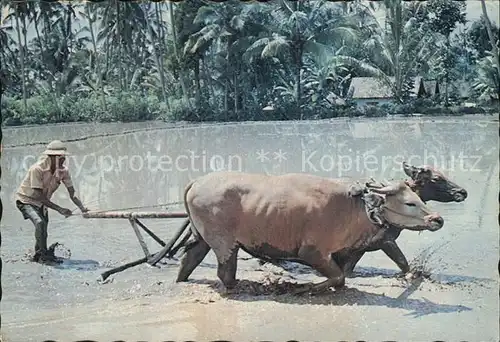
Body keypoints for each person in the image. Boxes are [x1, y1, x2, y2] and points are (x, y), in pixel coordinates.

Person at [15, 140, 88, 263]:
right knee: (39, 222)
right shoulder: (37, 169)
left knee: (44, 229)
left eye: (64, 156)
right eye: (60, 157)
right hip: (26, 200)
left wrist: (82, 208)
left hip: (43, 203)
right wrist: (60, 209)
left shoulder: (63, 171)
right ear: (51, 157)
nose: (63, 159)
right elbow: (38, 196)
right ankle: (43, 256)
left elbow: (72, 193)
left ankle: (39, 254)